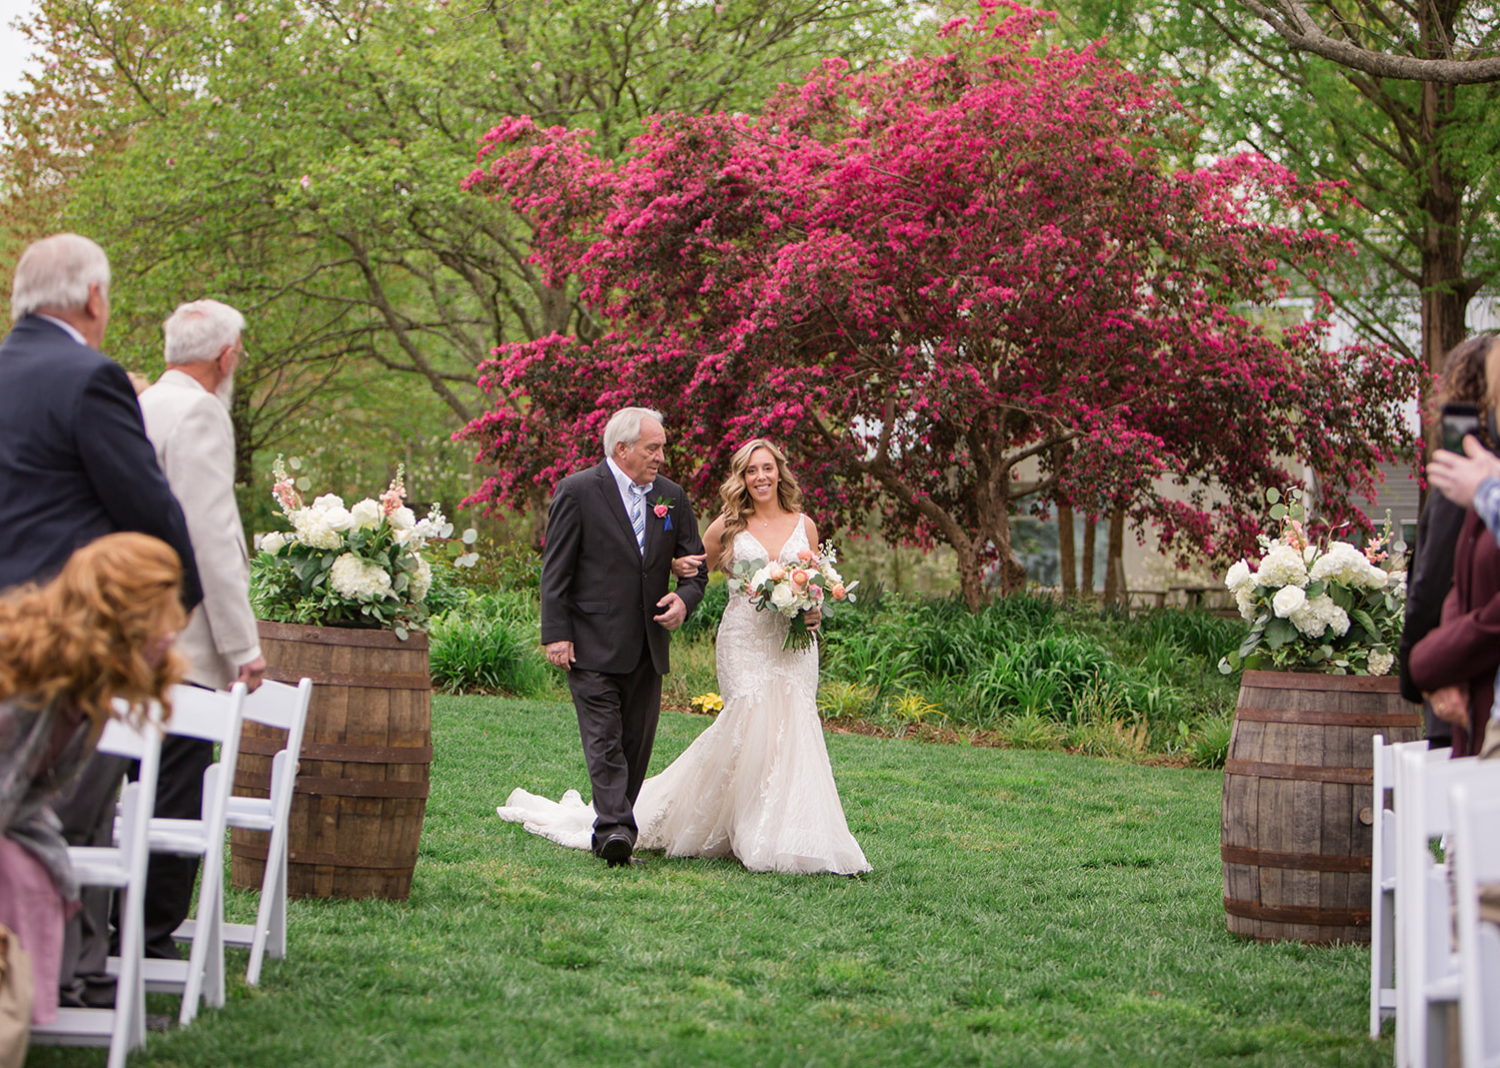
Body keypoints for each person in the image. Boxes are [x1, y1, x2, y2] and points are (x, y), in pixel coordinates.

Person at [501, 438, 871, 875]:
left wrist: (812, 609)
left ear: (780, 471)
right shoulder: (728, 527)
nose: (760, 477)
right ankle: (736, 826)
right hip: (744, 640)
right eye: (751, 471)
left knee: (794, 726)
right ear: (741, 478)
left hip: (791, 647)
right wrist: (676, 575)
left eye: (767, 468)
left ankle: (790, 832)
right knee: (747, 722)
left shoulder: (804, 525)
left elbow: (816, 582)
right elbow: (689, 566)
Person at [0, 232, 204, 1008]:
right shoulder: (89, 379)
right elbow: (153, 512)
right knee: (73, 817)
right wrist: (166, 621)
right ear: (93, 299)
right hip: (68, 647)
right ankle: (69, 976)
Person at [0, 533, 188, 1050]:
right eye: (159, 613)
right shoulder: (32, 689)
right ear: (116, 618)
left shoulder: (85, 690)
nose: (173, 630)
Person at [134, 299, 267, 960]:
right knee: (176, 788)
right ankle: (152, 934)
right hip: (183, 642)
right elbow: (211, 536)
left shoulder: (144, 405)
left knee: (130, 786)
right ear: (225, 356)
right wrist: (242, 646)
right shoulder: (200, 414)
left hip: (133, 635)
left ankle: (114, 919)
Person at [534, 407, 708, 867]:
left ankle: (612, 825)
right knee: (604, 740)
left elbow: (696, 565)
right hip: (590, 642)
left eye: (663, 448)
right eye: (654, 448)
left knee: (635, 744)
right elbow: (556, 572)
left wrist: (685, 599)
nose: (661, 457)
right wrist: (557, 634)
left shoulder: (671, 497)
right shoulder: (577, 491)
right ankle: (615, 830)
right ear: (622, 449)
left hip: (648, 646)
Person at [1398, 334, 1497, 748]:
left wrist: (1419, 668)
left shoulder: (1473, 486)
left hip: (1466, 686)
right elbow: (1452, 586)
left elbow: (1430, 585)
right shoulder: (1471, 483)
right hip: (1457, 687)